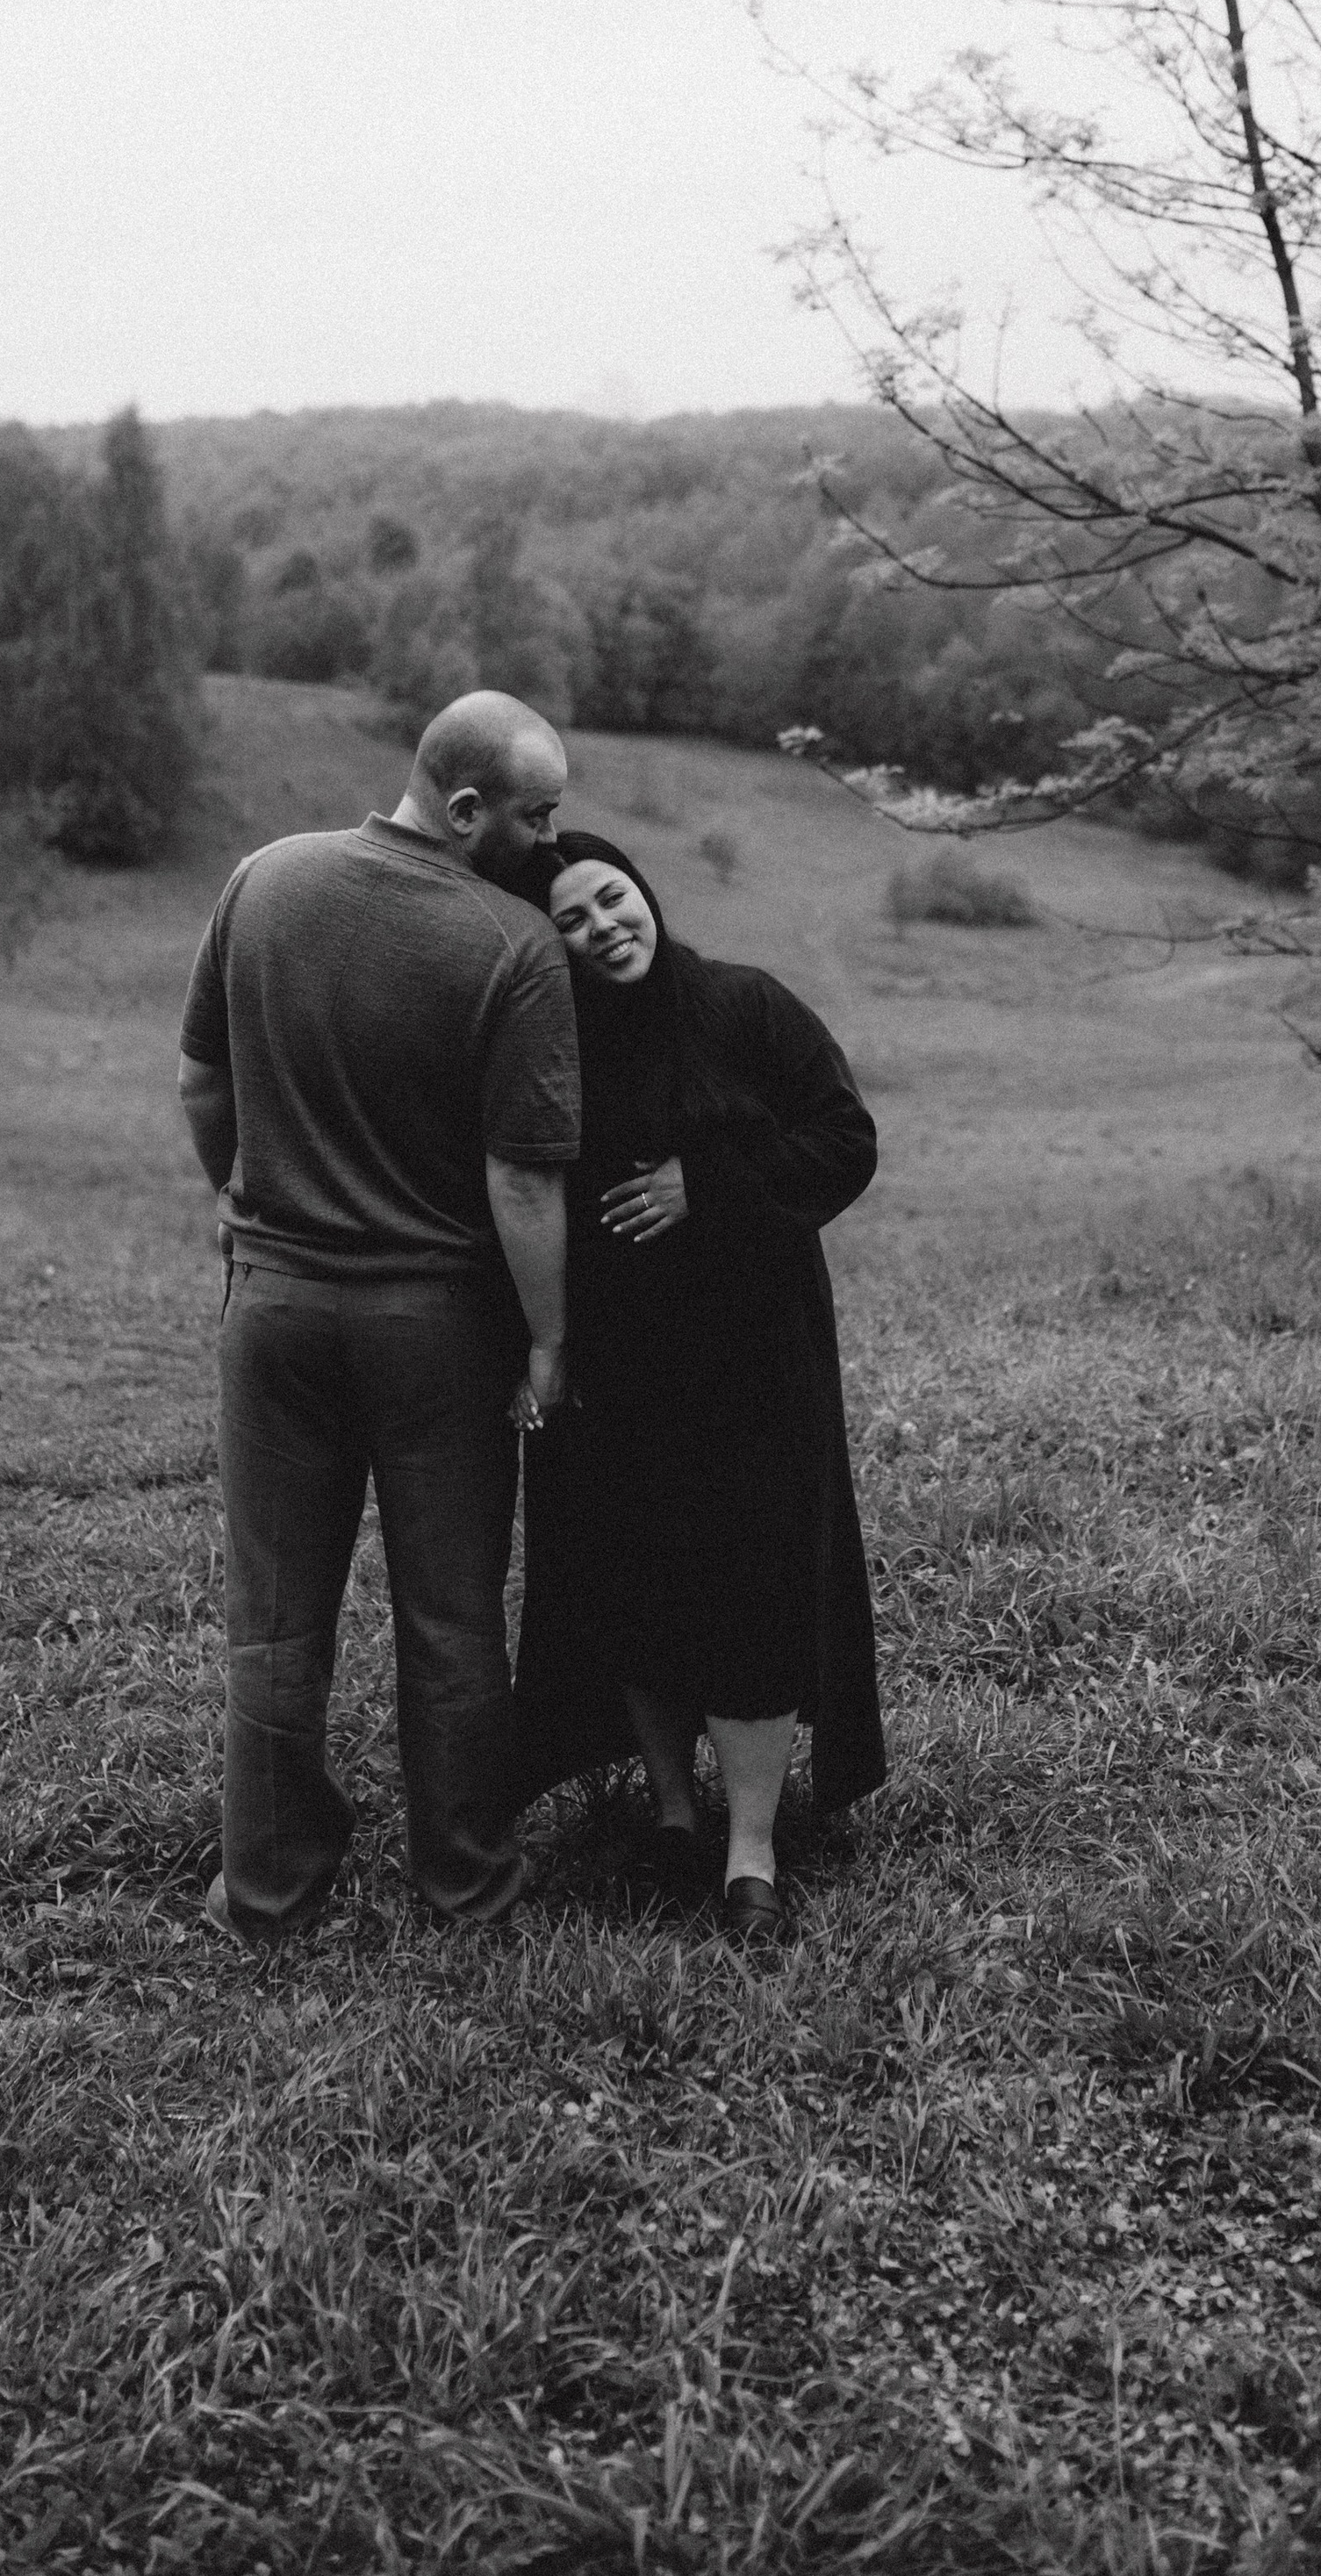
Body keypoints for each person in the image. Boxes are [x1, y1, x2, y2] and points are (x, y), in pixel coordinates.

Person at [176, 689, 578, 1943]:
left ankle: (269, 1889)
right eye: (534, 815)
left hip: (275, 1311)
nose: (551, 840)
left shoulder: (263, 880)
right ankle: (466, 1886)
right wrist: (549, 1338)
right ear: (463, 809)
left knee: (274, 1622)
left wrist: (243, 1199)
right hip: (436, 1329)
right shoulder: (515, 946)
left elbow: (200, 1078)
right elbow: (522, 1180)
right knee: (451, 1620)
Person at [512, 829, 884, 1945]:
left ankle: (750, 1853)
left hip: (754, 1363)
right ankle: (674, 1817)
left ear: (643, 890)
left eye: (611, 899)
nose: (601, 928)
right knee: (634, 1579)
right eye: (571, 922)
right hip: (619, 1365)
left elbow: (845, 1140)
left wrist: (707, 1184)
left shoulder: (745, 1006)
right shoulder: (553, 1043)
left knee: (751, 1592)